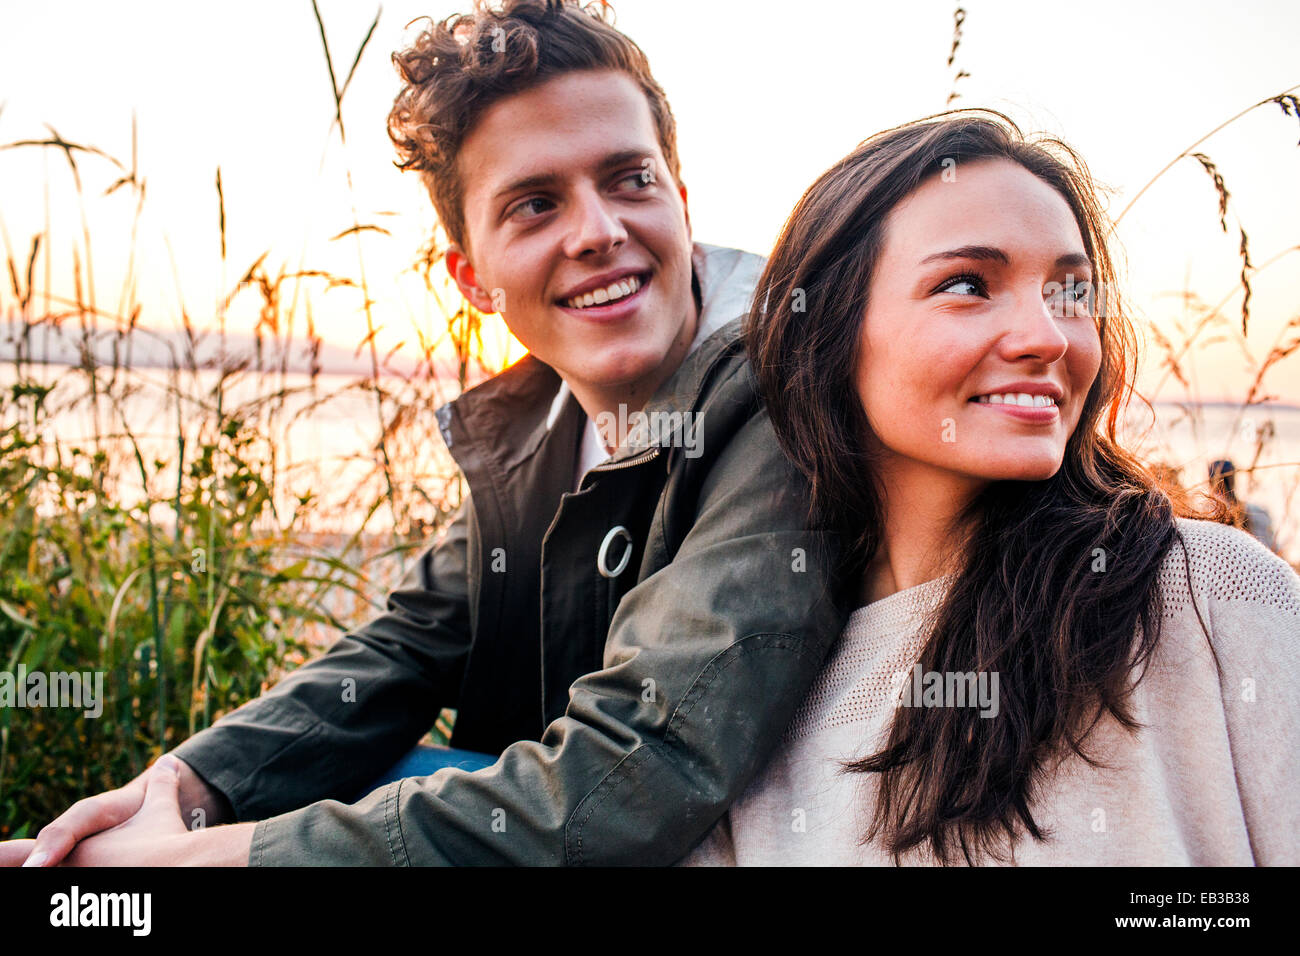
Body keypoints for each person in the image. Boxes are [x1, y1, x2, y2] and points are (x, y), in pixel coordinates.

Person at [3, 0, 845, 867]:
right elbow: (407, 644)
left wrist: (203, 860)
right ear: (473, 280)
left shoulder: (781, 393)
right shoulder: (535, 424)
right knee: (360, 777)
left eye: (630, 179)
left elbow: (637, 774)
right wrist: (184, 787)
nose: (598, 232)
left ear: (679, 196)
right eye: (534, 205)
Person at [682, 111, 1300, 866]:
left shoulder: (1214, 598)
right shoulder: (761, 685)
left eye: (1072, 293)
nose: (1047, 336)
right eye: (969, 284)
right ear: (830, 336)